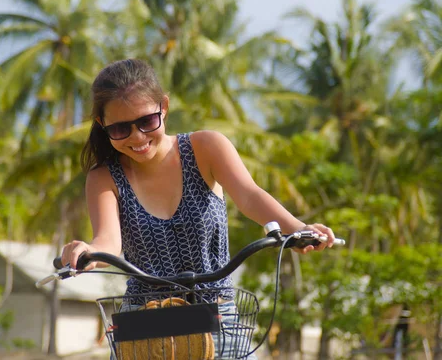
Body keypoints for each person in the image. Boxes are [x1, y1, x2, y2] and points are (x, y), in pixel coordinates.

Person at [60, 58, 336, 358]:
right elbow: (108, 243)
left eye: (147, 122)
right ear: (103, 125)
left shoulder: (205, 148)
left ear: (163, 107)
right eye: (120, 129)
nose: (137, 137)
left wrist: (297, 229)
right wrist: (85, 252)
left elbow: (249, 195)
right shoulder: (104, 177)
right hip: (145, 324)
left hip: (216, 316)